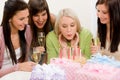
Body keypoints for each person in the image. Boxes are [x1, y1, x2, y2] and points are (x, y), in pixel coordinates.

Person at [0, 0, 36, 77]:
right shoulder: (0, 36)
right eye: (21, 19)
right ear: (9, 18)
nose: (26, 22)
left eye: (27, 17)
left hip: (20, 75)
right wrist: (18, 67)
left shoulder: (27, 31)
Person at [28, 0, 55, 64]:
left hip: (49, 63)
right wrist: (34, 52)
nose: (40, 19)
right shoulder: (26, 26)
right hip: (33, 63)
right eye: (36, 15)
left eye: (43, 14)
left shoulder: (52, 20)